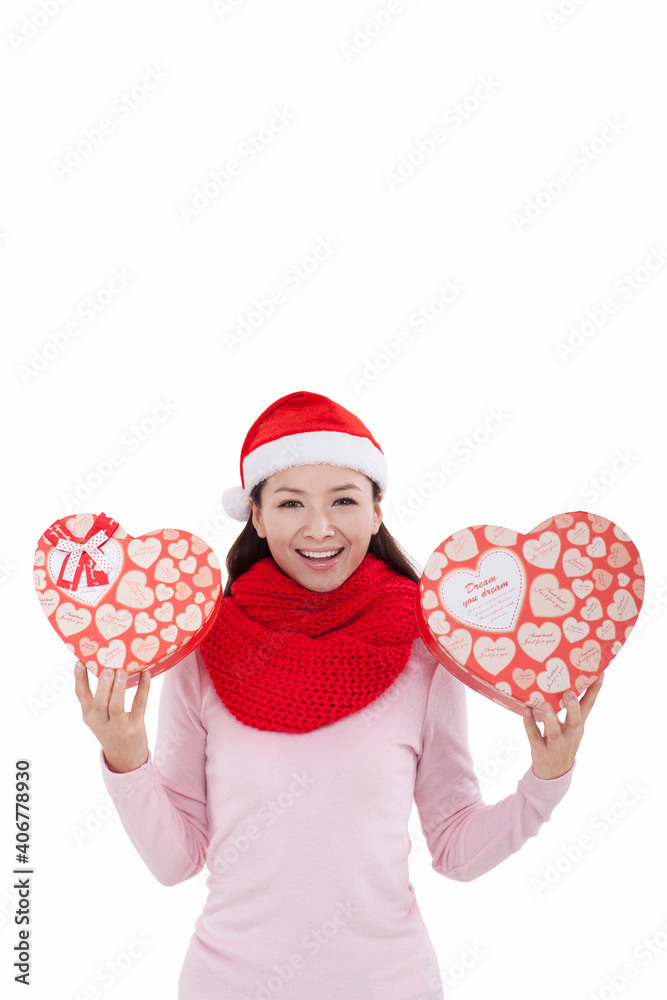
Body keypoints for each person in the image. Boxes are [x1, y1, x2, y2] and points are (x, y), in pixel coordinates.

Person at [74, 389, 602, 1000]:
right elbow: (175, 861)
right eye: (291, 501)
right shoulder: (204, 647)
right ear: (257, 514)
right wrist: (126, 756)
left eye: (344, 500)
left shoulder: (423, 651)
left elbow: (455, 847)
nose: (319, 527)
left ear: (377, 511)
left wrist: (547, 779)